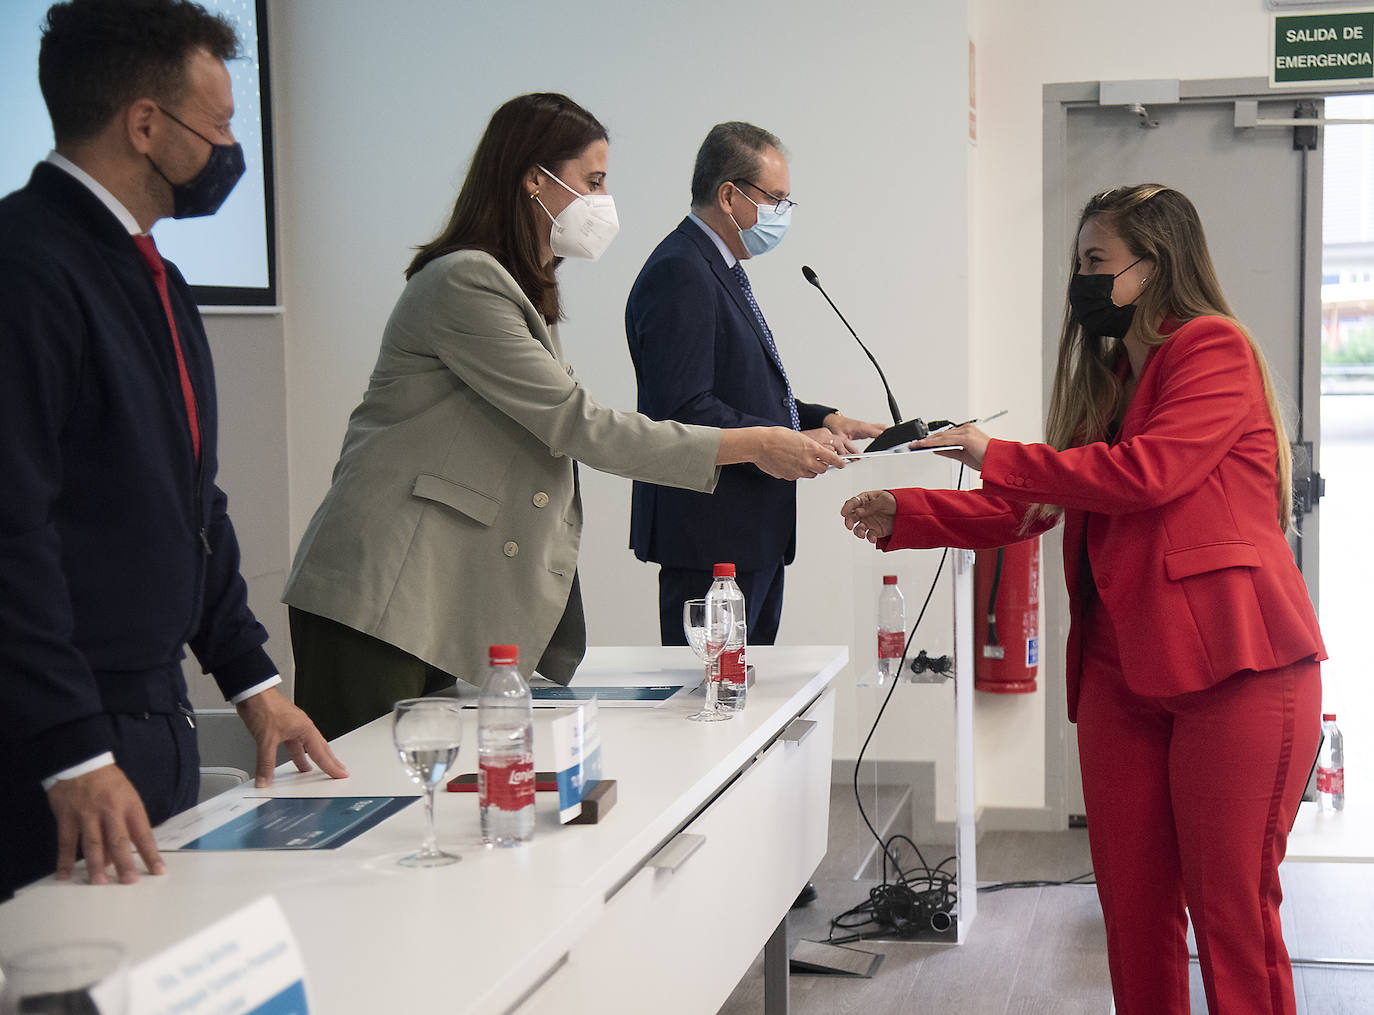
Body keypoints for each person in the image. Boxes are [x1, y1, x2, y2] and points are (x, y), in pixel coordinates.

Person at [841, 184, 1324, 1014]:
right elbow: (1041, 500)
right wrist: (910, 512)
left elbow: (1145, 476)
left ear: (1154, 264)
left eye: (1097, 261)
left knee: (1231, 916)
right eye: (1079, 263)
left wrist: (995, 450)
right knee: (1132, 918)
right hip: (1120, 674)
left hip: (1236, 669)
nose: (1083, 279)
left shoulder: (1213, 349)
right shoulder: (1112, 380)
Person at [283, 94, 844, 742]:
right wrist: (757, 445)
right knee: (369, 806)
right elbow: (580, 425)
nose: (604, 202)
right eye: (594, 181)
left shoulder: (516, 288)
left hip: (437, 594)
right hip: (381, 590)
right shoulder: (466, 283)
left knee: (423, 806)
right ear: (533, 178)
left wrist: (791, 429)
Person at [0, 0, 346, 901]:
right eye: (222, 122)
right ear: (145, 125)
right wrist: (68, 745)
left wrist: (250, 677)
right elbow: (10, 527)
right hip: (56, 742)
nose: (231, 147)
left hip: (152, 718)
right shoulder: (24, 269)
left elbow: (194, 504)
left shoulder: (157, 278)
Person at [626, 122, 883, 646]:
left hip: (748, 535)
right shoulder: (680, 272)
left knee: (749, 707)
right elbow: (683, 409)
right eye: (776, 199)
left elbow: (740, 390)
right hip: (709, 538)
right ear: (729, 195)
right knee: (713, 709)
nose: (782, 214)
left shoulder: (715, 266)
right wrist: (785, 440)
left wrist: (822, 419)